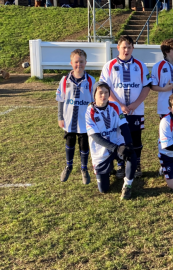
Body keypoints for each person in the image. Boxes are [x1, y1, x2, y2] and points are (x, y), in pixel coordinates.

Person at [99, 35, 151, 179]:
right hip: (116, 111)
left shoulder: (140, 66)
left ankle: (137, 164)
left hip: (136, 110)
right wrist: (120, 105)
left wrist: (135, 104)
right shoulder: (109, 66)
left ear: (133, 48)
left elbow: (147, 86)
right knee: (118, 137)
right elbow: (104, 88)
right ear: (118, 47)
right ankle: (120, 164)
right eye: (124, 47)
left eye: (129, 47)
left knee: (136, 137)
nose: (126, 50)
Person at [85, 82, 137, 200]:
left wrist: (128, 144)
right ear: (94, 95)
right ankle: (108, 168)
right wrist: (116, 148)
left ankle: (127, 185)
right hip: (101, 151)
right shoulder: (90, 112)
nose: (103, 95)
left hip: (118, 144)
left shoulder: (115, 106)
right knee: (104, 189)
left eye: (106, 92)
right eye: (100, 93)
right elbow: (96, 137)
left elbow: (124, 126)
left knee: (131, 153)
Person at [56, 49, 96, 185]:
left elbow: (94, 101)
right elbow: (61, 99)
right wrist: (60, 117)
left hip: (84, 120)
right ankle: (68, 166)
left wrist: (94, 118)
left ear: (86, 62)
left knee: (84, 145)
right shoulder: (64, 80)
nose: (79, 64)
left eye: (81, 62)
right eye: (76, 62)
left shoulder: (91, 80)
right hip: (68, 119)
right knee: (70, 142)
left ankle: (84, 169)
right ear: (71, 63)